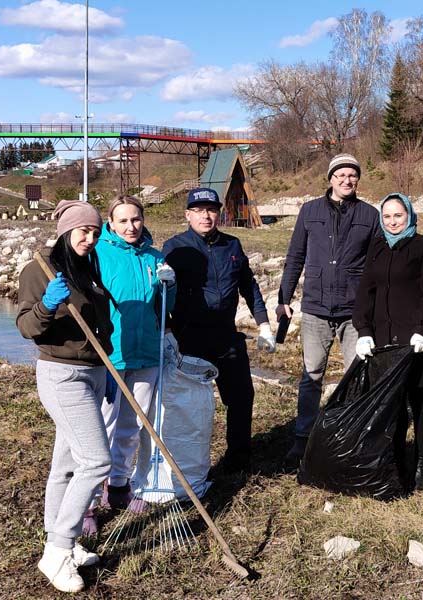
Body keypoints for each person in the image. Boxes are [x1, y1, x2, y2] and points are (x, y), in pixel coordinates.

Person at [16, 200, 112, 593]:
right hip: (62, 374)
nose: (90, 239)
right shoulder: (40, 271)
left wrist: (104, 375)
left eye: (94, 232)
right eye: (82, 232)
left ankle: (61, 542)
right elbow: (26, 326)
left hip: (92, 374)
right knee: (97, 461)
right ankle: (57, 552)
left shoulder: (88, 269)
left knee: (66, 465)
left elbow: (100, 325)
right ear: (65, 231)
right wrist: (47, 304)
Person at [162, 187, 275, 472]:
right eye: (199, 211)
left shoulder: (232, 245)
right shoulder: (175, 248)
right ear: (188, 214)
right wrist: (164, 331)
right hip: (189, 337)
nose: (206, 216)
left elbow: (249, 286)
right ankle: (188, 461)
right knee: (191, 403)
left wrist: (263, 325)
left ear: (219, 213)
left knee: (241, 396)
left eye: (211, 210)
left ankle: (238, 458)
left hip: (226, 335)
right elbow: (161, 295)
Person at [277, 153, 380, 465]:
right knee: (311, 375)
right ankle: (303, 437)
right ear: (330, 178)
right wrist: (284, 297)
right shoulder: (310, 211)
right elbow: (295, 255)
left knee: (355, 376)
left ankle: (349, 435)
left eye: (352, 175)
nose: (347, 180)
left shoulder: (369, 214)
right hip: (316, 309)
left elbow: (377, 262)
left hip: (354, 310)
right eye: (341, 175)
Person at [84, 195, 176, 528]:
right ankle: (90, 501)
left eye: (135, 219)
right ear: (110, 223)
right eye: (122, 220)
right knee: (102, 426)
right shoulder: (98, 255)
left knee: (133, 425)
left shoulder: (154, 256)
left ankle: (119, 484)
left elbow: (165, 308)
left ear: (143, 219)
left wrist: (170, 285)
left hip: (147, 352)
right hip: (112, 354)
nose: (130, 226)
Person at [352, 193, 423, 490]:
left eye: (398, 215)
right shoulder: (377, 247)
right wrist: (363, 331)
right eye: (387, 216)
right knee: (391, 403)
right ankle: (396, 459)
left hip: (416, 340)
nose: (392, 221)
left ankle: (422, 463)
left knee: (419, 400)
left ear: (409, 216)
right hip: (382, 339)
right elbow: (366, 291)